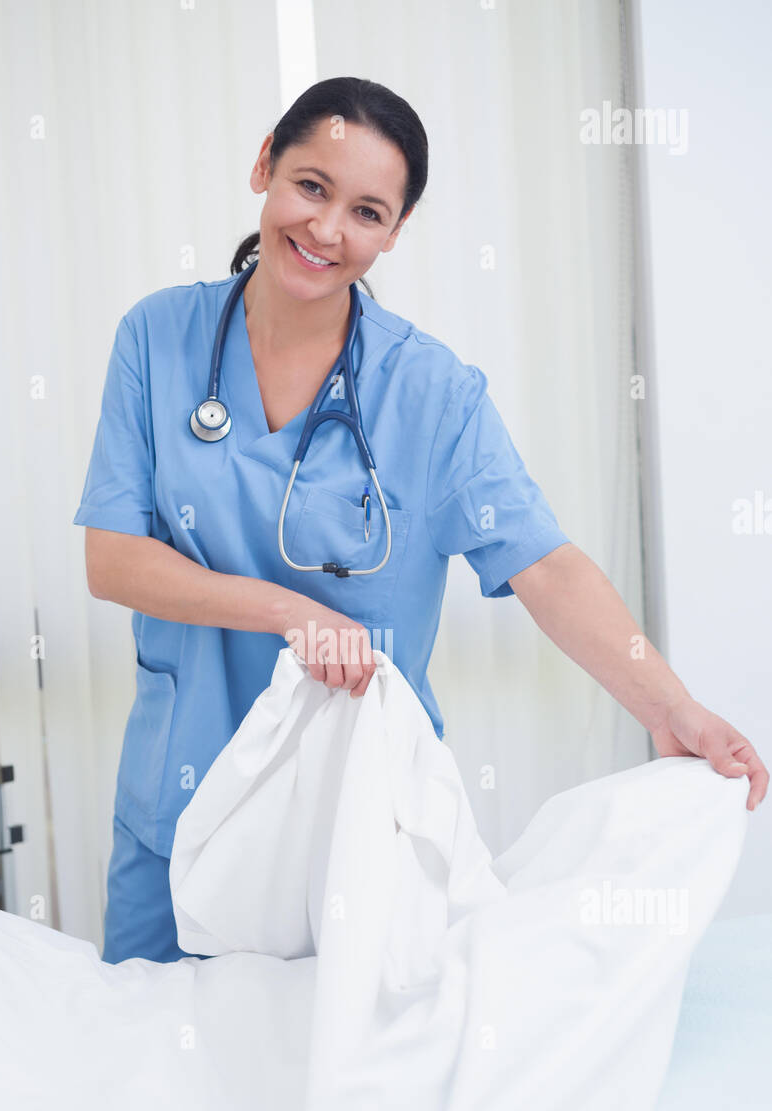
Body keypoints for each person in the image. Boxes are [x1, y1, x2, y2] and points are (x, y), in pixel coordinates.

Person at [73, 76, 767, 965]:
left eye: (366, 211)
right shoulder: (156, 339)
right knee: (151, 1069)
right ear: (264, 169)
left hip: (355, 828)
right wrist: (294, 613)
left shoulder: (431, 393)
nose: (327, 230)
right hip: (180, 808)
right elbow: (113, 559)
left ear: (394, 233)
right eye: (312, 186)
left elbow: (543, 565)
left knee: (346, 1082)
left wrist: (674, 708)